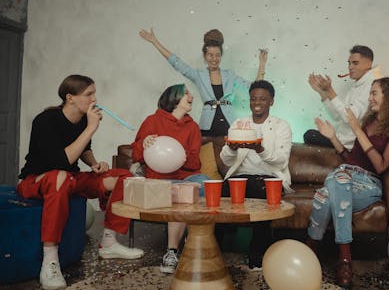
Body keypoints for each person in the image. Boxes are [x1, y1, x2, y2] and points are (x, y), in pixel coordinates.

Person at [17, 75, 144, 290]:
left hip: (69, 178)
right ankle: (50, 261)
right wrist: (91, 129)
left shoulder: (84, 119)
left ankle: (109, 242)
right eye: (88, 94)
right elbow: (61, 161)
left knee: (124, 177)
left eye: (94, 93)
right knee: (60, 175)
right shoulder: (45, 120)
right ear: (70, 98)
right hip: (37, 179)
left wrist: (94, 164)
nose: (94, 99)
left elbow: (83, 150)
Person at [305, 77, 389, 288]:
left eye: (374, 93)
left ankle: (311, 247)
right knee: (339, 179)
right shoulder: (368, 121)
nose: (370, 97)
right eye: (370, 93)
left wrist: (357, 130)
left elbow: (381, 166)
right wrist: (332, 137)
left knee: (324, 195)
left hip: (368, 183)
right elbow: (350, 159)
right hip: (344, 174)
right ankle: (345, 260)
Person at [131, 84, 210, 274]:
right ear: (175, 98)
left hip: (185, 177)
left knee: (204, 184)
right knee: (184, 194)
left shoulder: (192, 127)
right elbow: (136, 154)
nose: (192, 96)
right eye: (187, 94)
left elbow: (193, 163)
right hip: (159, 179)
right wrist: (144, 143)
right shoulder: (152, 121)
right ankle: (172, 251)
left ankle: (189, 244)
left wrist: (179, 155)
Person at [139, 28, 268, 136]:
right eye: (210, 55)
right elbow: (176, 62)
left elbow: (255, 88)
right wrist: (155, 42)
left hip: (230, 124)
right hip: (207, 125)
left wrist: (262, 64)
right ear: (205, 56)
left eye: (217, 55)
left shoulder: (230, 75)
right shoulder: (198, 75)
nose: (214, 59)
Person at [219, 80, 292, 269]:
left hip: (269, 178)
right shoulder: (239, 124)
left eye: (262, 99)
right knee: (218, 198)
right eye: (253, 99)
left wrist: (260, 149)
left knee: (264, 197)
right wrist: (232, 148)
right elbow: (226, 160)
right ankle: (213, 252)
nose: (257, 102)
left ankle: (257, 256)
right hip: (240, 177)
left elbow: (281, 161)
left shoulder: (281, 126)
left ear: (271, 102)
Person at [304, 45, 382, 150]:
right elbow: (337, 116)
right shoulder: (357, 85)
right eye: (349, 63)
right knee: (310, 134)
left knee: (310, 135)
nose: (350, 67)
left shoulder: (371, 85)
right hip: (340, 139)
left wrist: (330, 91)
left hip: (351, 145)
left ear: (369, 63)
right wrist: (322, 93)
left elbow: (349, 118)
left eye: (355, 63)